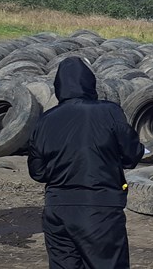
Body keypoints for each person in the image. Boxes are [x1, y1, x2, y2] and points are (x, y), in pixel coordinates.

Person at [28, 57, 145, 269]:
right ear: (90, 82)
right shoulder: (109, 111)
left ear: (59, 86)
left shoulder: (45, 120)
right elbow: (132, 154)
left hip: (57, 210)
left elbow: (37, 172)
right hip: (99, 209)